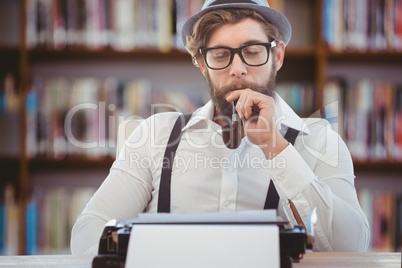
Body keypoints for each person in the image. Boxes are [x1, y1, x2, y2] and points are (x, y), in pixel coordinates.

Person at [71, 0, 370, 255]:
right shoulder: (154, 136)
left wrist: (275, 148)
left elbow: (352, 247)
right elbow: (87, 233)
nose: (237, 68)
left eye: (252, 51)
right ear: (202, 64)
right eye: (220, 55)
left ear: (277, 57)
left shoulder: (320, 142)